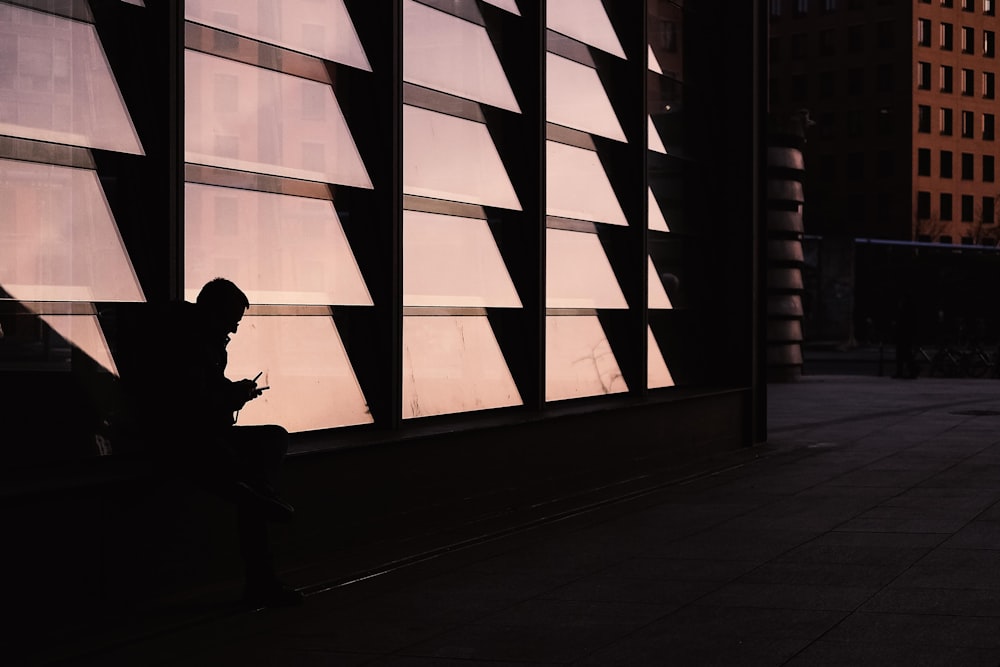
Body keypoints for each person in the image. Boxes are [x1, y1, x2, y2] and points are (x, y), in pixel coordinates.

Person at [117, 278, 302, 608]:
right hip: (185, 440)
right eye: (233, 322)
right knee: (262, 460)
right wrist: (235, 395)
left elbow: (201, 394)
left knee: (259, 468)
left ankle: (258, 491)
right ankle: (261, 499)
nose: (234, 330)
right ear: (215, 314)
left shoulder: (193, 338)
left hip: (191, 435)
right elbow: (193, 406)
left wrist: (232, 392)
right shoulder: (189, 345)